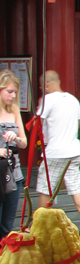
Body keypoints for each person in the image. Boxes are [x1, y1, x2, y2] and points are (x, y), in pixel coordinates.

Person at [37, 70, 80, 238]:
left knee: (45, 188)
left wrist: (41, 105)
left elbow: (37, 122)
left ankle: (40, 226)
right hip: (74, 150)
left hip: (55, 151)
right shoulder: (73, 99)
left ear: (46, 84)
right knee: (75, 188)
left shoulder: (48, 100)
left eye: (42, 87)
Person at [0, 70, 27, 240]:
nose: (12, 95)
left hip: (13, 172)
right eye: (9, 91)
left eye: (15, 92)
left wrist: (16, 138)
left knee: (8, 224)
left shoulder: (14, 110)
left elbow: (24, 142)